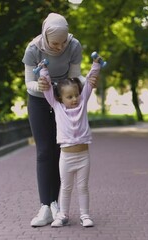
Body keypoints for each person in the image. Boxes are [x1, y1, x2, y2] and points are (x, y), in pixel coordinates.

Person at [22, 13, 98, 227]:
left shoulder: (74, 46)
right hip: (38, 100)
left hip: (64, 101)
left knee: (60, 150)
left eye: (63, 41)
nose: (60, 46)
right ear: (46, 36)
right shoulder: (33, 49)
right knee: (44, 151)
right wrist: (40, 86)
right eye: (55, 43)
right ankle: (44, 206)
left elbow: (75, 76)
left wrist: (88, 80)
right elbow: (28, 82)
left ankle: (55, 204)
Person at [39, 54, 103, 228]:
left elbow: (90, 82)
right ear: (60, 98)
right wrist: (44, 70)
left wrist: (96, 65)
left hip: (83, 156)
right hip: (66, 157)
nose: (74, 99)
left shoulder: (82, 103)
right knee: (66, 188)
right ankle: (62, 215)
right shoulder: (57, 106)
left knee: (83, 187)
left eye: (76, 95)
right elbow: (47, 91)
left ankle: (85, 215)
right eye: (69, 97)